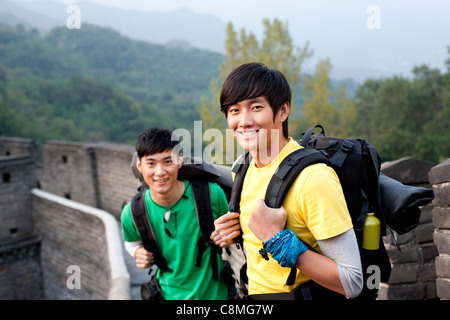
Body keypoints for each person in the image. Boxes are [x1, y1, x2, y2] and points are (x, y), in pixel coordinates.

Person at [213, 62, 363, 299]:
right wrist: (230, 233)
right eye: (234, 110)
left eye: (256, 107)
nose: (244, 121)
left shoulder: (313, 179)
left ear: (282, 111)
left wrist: (278, 240)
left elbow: (352, 282)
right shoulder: (242, 170)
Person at [121, 127, 230, 300]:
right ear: (139, 166)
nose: (160, 172)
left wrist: (228, 236)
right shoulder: (134, 212)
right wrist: (137, 252)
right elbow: (131, 243)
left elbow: (233, 229)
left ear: (179, 161)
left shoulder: (210, 194)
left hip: (218, 296)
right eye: (151, 163)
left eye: (167, 161)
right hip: (167, 294)